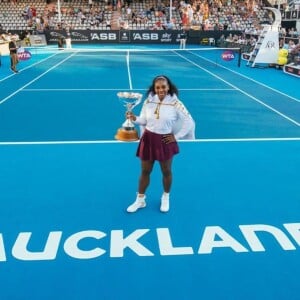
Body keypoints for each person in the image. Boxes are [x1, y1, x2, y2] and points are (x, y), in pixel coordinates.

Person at [126, 75, 195, 213]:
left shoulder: (176, 103)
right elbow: (144, 120)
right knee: (145, 171)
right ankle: (140, 200)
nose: (161, 90)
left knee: (166, 171)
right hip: (148, 140)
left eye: (163, 86)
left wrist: (176, 137)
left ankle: (166, 197)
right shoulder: (148, 101)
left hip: (165, 141)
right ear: (154, 88)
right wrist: (134, 119)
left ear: (168, 87)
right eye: (158, 87)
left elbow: (189, 121)